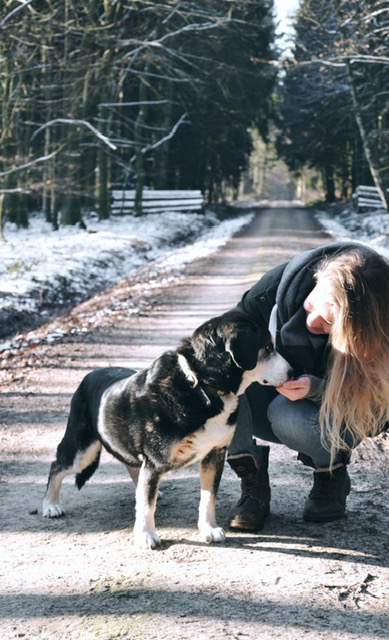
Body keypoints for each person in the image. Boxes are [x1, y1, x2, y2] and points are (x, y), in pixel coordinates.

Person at [226, 241, 389, 530]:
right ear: (316, 279)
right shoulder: (273, 291)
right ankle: (252, 484)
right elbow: (220, 348)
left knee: (287, 413)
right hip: (261, 398)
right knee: (226, 380)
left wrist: (317, 388)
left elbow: (378, 415)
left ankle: (330, 471)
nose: (311, 321)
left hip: (323, 414)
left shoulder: (379, 326)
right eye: (312, 305)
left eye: (328, 322)